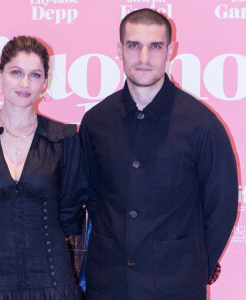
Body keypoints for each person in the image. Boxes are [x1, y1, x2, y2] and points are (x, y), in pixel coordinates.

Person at [79, 8, 238, 300]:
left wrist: (193, 267)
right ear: (119, 49)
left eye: (155, 46)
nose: (143, 57)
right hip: (108, 287)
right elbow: (91, 199)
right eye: (133, 45)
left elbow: (222, 206)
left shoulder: (202, 124)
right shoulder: (95, 122)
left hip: (177, 287)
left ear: (170, 50)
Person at [0, 36, 84, 300]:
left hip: (53, 284)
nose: (24, 83)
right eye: (16, 73)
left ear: (45, 82)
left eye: (35, 75)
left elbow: (70, 214)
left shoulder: (65, 139)